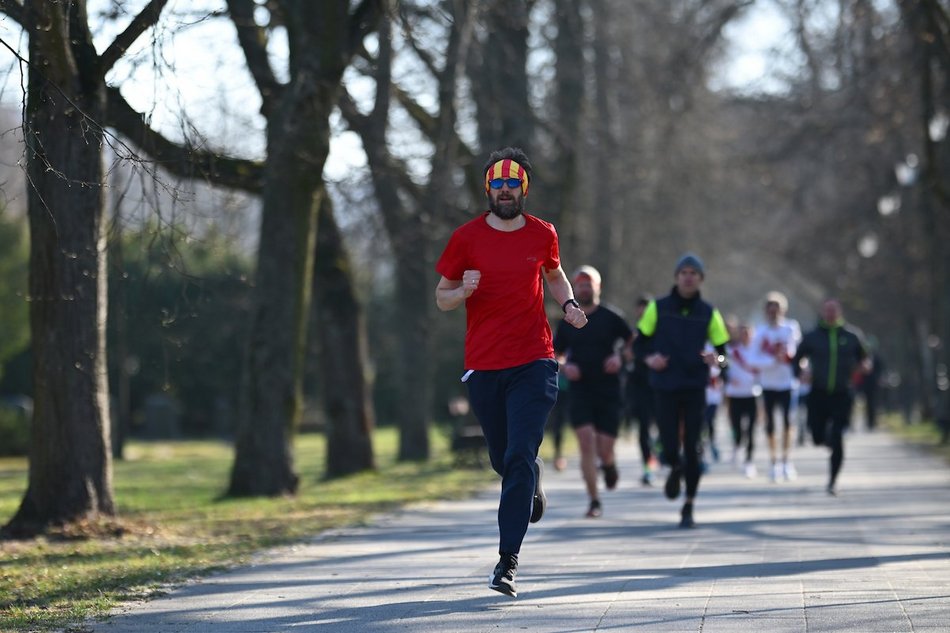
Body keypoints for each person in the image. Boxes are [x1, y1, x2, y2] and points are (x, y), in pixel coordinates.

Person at [434, 147, 587, 598]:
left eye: (511, 184)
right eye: (496, 185)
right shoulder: (465, 238)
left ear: (523, 189)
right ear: (488, 190)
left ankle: (507, 562)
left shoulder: (543, 234)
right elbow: (441, 296)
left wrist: (570, 304)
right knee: (504, 460)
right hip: (483, 366)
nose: (504, 191)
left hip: (535, 360)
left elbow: (554, 274)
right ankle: (530, 480)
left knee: (519, 455)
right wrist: (463, 288)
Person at [633, 253, 730, 528]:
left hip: (694, 386)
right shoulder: (658, 307)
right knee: (669, 445)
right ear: (676, 277)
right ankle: (674, 467)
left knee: (693, 447)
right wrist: (650, 358)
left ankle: (688, 505)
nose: (688, 277)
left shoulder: (709, 312)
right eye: (684, 273)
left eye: (694, 274)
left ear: (700, 279)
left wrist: (717, 361)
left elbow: (724, 354)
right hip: (664, 385)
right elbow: (640, 344)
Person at [554, 266, 633, 518]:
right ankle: (594, 500)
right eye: (580, 284)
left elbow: (633, 342)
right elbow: (555, 352)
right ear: (574, 288)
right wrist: (566, 366)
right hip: (580, 389)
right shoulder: (568, 321)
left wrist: (619, 357)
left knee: (604, 449)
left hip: (609, 389)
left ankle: (609, 465)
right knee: (586, 443)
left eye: (589, 284)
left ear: (598, 287)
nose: (585, 288)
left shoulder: (612, 317)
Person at [792, 298, 870, 496]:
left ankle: (833, 481)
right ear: (822, 313)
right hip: (818, 393)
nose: (830, 314)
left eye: (834, 310)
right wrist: (801, 372)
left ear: (840, 312)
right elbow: (796, 360)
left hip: (842, 393)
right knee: (816, 436)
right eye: (827, 310)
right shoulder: (813, 336)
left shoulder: (852, 335)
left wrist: (865, 366)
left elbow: (864, 358)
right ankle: (824, 439)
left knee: (837, 437)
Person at [751, 291, 802, 481]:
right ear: (766, 311)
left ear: (783, 310)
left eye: (777, 309)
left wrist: (789, 357)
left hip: (787, 383)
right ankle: (774, 462)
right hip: (768, 384)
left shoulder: (790, 327)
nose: (774, 313)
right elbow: (752, 359)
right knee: (770, 424)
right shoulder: (760, 332)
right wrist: (771, 361)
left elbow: (797, 352)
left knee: (788, 422)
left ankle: (787, 460)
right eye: (770, 310)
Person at [624, 295, 660, 485]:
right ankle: (648, 468)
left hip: (660, 386)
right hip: (639, 386)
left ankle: (661, 454)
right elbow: (626, 355)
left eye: (647, 309)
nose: (643, 312)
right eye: (641, 308)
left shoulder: (661, 333)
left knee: (664, 427)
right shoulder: (633, 334)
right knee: (644, 430)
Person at [724, 322, 762, 478]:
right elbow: (721, 361)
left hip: (753, 394)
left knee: (752, 429)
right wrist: (727, 377)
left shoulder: (758, 351)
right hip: (735, 395)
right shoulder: (731, 350)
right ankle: (737, 446)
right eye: (742, 332)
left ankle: (749, 461)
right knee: (737, 428)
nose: (745, 335)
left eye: (748, 332)